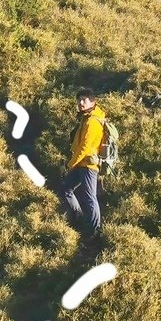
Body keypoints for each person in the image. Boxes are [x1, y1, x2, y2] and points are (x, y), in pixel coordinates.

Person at [61, 88, 106, 243]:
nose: (81, 103)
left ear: (92, 102)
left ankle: (94, 231)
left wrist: (71, 163)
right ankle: (78, 217)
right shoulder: (86, 118)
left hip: (88, 165)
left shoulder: (92, 121)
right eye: (79, 100)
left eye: (84, 100)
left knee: (89, 197)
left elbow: (85, 147)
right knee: (66, 188)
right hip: (82, 163)